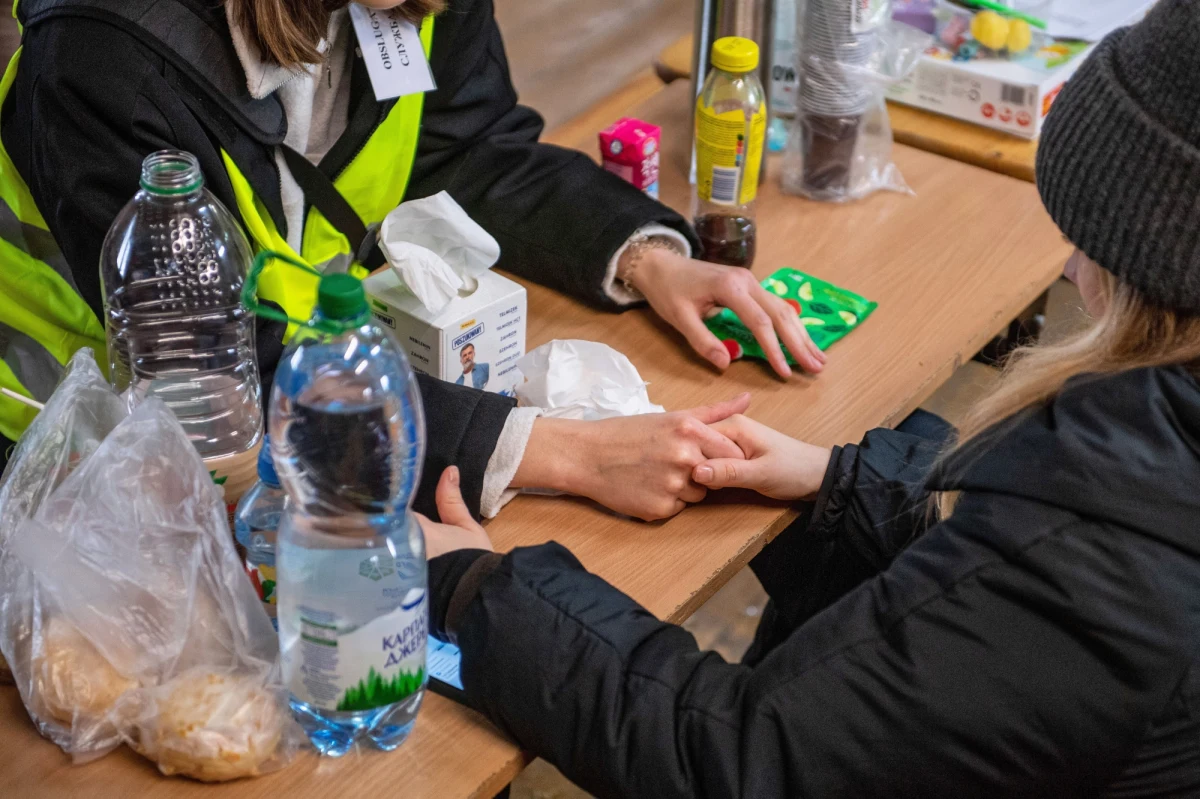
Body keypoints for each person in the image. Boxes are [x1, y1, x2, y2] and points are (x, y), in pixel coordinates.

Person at [418, 3, 1200, 795]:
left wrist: (481, 590)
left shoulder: (1107, 554)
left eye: (1092, 246)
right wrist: (840, 482)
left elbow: (745, 759)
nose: (1070, 272)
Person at [0, 0, 825, 492]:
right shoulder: (97, 58)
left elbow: (468, 148)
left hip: (306, 390)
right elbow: (218, 370)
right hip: (74, 447)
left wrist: (651, 259)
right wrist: (560, 452)